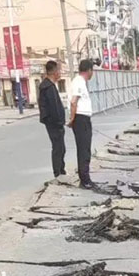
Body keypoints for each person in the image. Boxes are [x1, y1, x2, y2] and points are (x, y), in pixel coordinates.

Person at [68, 59, 95, 189]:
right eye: (92, 70)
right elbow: (74, 101)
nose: (92, 73)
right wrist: (72, 119)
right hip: (80, 119)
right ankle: (85, 179)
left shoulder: (80, 82)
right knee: (84, 149)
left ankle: (85, 177)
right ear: (89, 70)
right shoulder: (79, 82)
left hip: (82, 118)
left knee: (85, 148)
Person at [38, 59, 66, 181]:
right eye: (59, 70)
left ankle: (61, 170)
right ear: (55, 72)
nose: (60, 73)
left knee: (61, 147)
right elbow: (53, 108)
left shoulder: (49, 86)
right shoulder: (48, 88)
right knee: (58, 147)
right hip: (54, 123)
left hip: (54, 122)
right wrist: (59, 122)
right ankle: (58, 173)